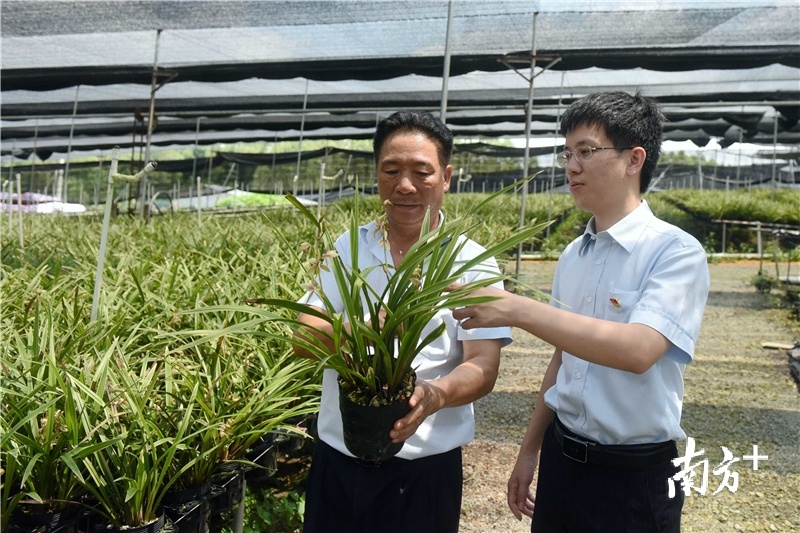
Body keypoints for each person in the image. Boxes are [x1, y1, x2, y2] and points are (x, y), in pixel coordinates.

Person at [452, 91, 710, 532]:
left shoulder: (675, 252)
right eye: (567, 153)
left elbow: (639, 350)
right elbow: (564, 358)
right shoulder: (574, 255)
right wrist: (530, 450)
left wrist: (516, 309)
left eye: (586, 151)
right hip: (563, 462)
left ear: (634, 159)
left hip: (634, 478)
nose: (572, 166)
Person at [293, 110, 512, 533]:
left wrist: (435, 396)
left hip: (423, 475)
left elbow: (483, 366)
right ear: (376, 174)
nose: (405, 186)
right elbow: (303, 337)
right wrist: (361, 332)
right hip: (338, 464)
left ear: (446, 177)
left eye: (421, 172)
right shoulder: (348, 248)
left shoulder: (472, 262)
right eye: (391, 171)